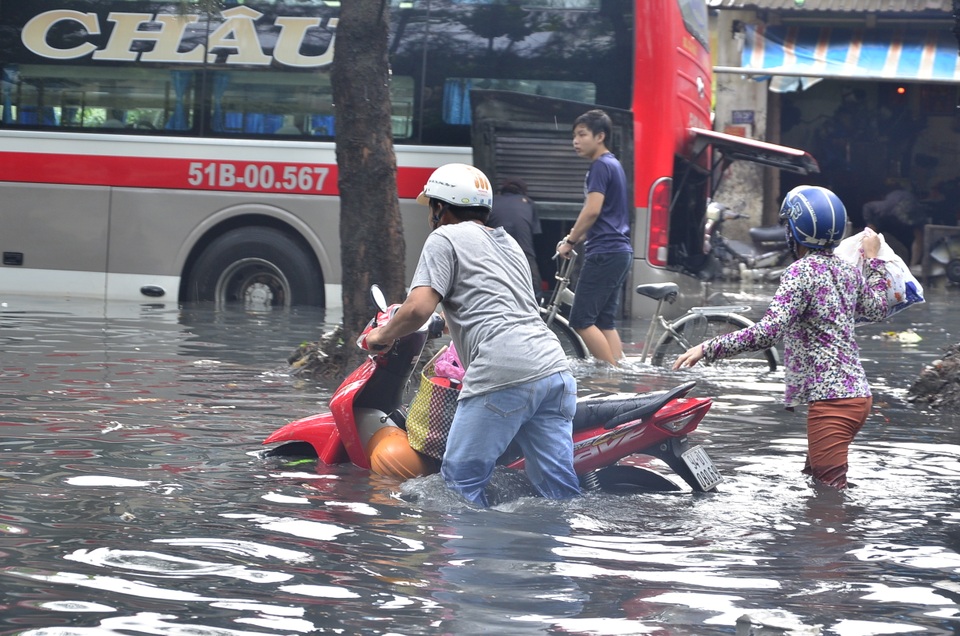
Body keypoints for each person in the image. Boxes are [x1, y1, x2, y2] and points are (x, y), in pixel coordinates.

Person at [364, 163, 580, 507]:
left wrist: (381, 336)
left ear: (440, 207)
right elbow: (490, 304)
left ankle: (469, 560)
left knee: (458, 489)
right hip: (554, 372)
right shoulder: (507, 244)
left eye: (431, 206)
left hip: (503, 374)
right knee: (559, 492)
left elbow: (418, 308)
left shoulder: (444, 237)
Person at [672, 185, 889, 490]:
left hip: (833, 403)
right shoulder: (849, 271)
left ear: (795, 231)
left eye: (787, 225)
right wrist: (873, 260)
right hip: (857, 396)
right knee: (815, 484)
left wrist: (708, 347)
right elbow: (878, 308)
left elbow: (767, 333)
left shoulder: (800, 272)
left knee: (829, 502)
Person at [556, 109, 633, 366]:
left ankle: (607, 378)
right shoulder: (615, 164)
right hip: (620, 252)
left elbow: (592, 210)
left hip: (605, 252)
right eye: (574, 136)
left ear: (600, 136)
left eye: (582, 135)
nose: (575, 141)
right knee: (604, 321)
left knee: (581, 320)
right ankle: (619, 376)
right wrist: (575, 237)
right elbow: (602, 216)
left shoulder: (600, 166)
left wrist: (569, 240)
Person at [486, 177, 542, 299]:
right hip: (524, 252)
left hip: (496, 253)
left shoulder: (492, 201)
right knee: (534, 291)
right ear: (523, 191)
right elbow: (535, 234)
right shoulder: (528, 203)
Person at [862, 189, 927, 268]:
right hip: (883, 226)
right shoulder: (885, 208)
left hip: (903, 235)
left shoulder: (918, 216)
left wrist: (912, 266)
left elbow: (919, 240)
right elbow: (867, 206)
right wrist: (871, 226)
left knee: (903, 251)